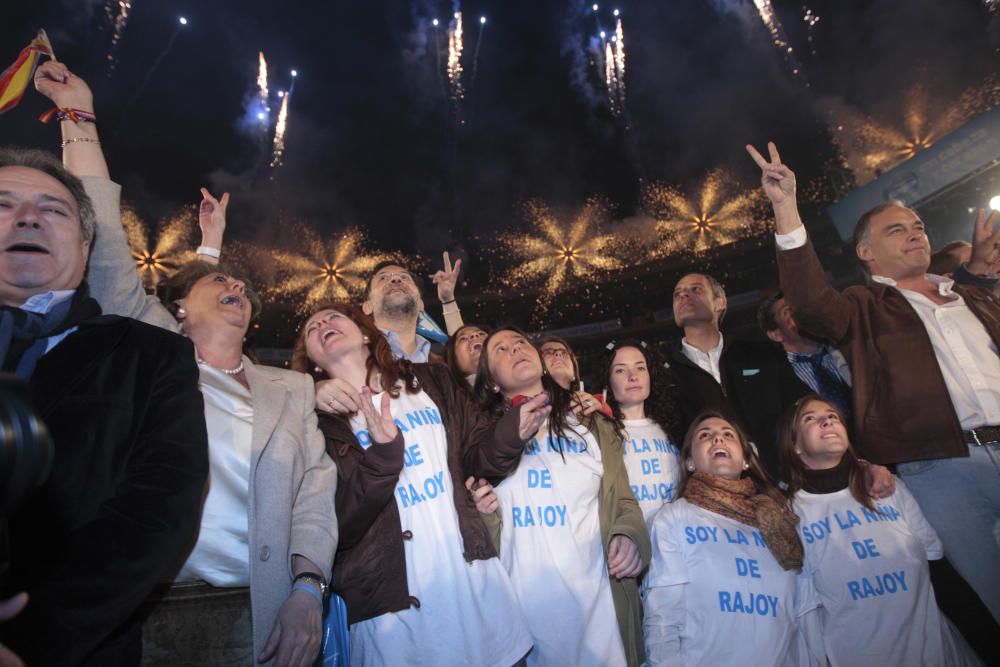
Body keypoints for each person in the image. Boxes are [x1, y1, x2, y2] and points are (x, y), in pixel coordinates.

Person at [33, 60, 340, 666]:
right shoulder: (152, 351)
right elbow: (109, 248)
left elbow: (314, 493)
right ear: (173, 309)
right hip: (144, 613)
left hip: (262, 611)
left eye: (245, 290)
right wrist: (78, 116)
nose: (241, 291)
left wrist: (309, 588)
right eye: (222, 281)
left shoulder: (292, 388)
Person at [748, 140, 1000, 622]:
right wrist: (786, 209)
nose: (915, 235)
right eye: (896, 230)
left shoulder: (975, 298)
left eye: (919, 227)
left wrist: (981, 276)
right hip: (944, 469)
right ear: (866, 252)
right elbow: (809, 303)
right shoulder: (863, 308)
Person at [0, 144, 209, 665]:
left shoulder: (151, 354)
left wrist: (31, 638)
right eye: (2, 205)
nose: (27, 218)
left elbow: (158, 507)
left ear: (87, 242)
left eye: (52, 209)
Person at [292, 303, 541, 666]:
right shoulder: (316, 423)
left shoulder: (429, 380)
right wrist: (383, 457)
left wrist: (509, 435)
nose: (322, 324)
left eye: (333, 318)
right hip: (392, 618)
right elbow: (336, 524)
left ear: (365, 334)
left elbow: (476, 456)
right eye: (312, 327)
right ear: (313, 359)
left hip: (474, 590)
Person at [475, 328, 650, 667]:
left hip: (600, 614)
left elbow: (624, 500)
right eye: (500, 349)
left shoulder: (591, 422)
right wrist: (483, 513)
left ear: (542, 363)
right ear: (492, 383)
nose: (515, 349)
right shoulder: (482, 440)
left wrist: (630, 536)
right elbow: (477, 531)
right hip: (528, 623)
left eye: (521, 343)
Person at [779, 395, 983, 667]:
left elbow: (937, 565)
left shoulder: (887, 487)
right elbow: (805, 607)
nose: (827, 420)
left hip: (935, 650)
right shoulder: (791, 512)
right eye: (810, 418)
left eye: (833, 416)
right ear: (795, 445)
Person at [643, 412, 820, 667]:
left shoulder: (779, 521)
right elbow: (662, 618)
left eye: (728, 435)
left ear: (746, 460)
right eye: (705, 435)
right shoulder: (673, 518)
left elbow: (804, 612)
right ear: (690, 461)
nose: (718, 439)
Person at [668, 272, 812, 479]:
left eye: (695, 289)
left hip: (782, 481)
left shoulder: (759, 352)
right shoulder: (666, 373)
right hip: (713, 495)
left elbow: (800, 404)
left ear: (720, 303)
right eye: (677, 294)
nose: (684, 296)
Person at [599, 339, 683, 524]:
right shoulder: (600, 432)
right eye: (620, 370)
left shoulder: (673, 428)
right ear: (608, 380)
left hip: (675, 543)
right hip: (628, 542)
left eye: (640, 368)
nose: (633, 376)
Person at [757, 293, 853, 419]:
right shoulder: (775, 382)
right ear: (776, 335)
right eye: (788, 311)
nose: (801, 313)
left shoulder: (849, 350)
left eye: (801, 307)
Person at [537, 334, 612, 417]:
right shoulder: (525, 406)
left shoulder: (594, 402)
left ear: (574, 372)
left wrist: (600, 410)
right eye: (548, 352)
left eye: (564, 353)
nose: (558, 353)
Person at [444, 322, 488, 390]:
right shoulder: (451, 397)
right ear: (454, 360)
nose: (474, 334)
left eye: (481, 334)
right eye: (463, 338)